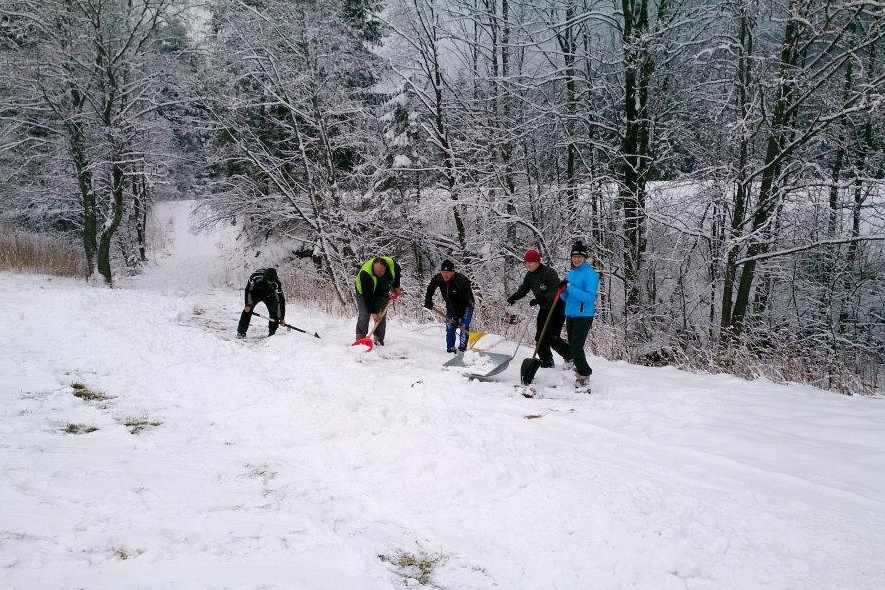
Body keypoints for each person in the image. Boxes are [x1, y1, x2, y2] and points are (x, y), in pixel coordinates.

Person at [506, 249, 571, 368]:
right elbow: (523, 289)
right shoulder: (529, 275)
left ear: (537, 262)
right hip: (544, 308)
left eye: (530, 262)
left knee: (552, 336)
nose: (527, 265)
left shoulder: (550, 273)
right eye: (526, 263)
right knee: (540, 337)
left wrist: (541, 299)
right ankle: (547, 362)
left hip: (557, 308)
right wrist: (514, 297)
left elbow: (554, 291)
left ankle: (570, 357)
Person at [559, 240, 600, 388]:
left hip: (584, 315)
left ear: (584, 258)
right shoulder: (572, 273)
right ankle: (581, 369)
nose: (576, 259)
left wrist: (569, 288)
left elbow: (589, 297)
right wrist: (563, 291)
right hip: (570, 314)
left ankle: (584, 373)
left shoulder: (590, 274)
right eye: (574, 256)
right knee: (573, 347)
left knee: (576, 347)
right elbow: (568, 296)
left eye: (579, 257)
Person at [424, 259, 476, 352]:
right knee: (450, 326)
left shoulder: (462, 282)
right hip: (451, 305)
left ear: (453, 272)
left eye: (447, 272)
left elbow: (463, 301)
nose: (445, 274)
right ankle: (450, 348)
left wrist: (457, 317)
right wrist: (428, 299)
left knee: (463, 326)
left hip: (466, 305)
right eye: (443, 271)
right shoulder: (439, 278)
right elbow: (431, 287)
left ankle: (462, 349)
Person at [355, 256, 402, 346]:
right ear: (373, 266)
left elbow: (397, 273)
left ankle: (378, 340)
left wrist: (396, 286)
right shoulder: (366, 274)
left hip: (381, 290)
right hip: (363, 292)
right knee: (364, 314)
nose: (378, 273)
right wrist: (373, 312)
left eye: (380, 272)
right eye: (376, 272)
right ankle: (360, 340)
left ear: (385, 267)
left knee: (381, 315)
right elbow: (367, 297)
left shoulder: (392, 265)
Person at [236, 267, 285, 338]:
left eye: (272, 281)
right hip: (255, 293)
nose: (270, 282)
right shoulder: (255, 276)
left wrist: (281, 317)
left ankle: (272, 334)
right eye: (269, 280)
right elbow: (248, 290)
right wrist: (248, 304)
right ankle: (241, 332)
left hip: (269, 295)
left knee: (274, 312)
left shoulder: (277, 283)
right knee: (247, 311)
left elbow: (280, 300)